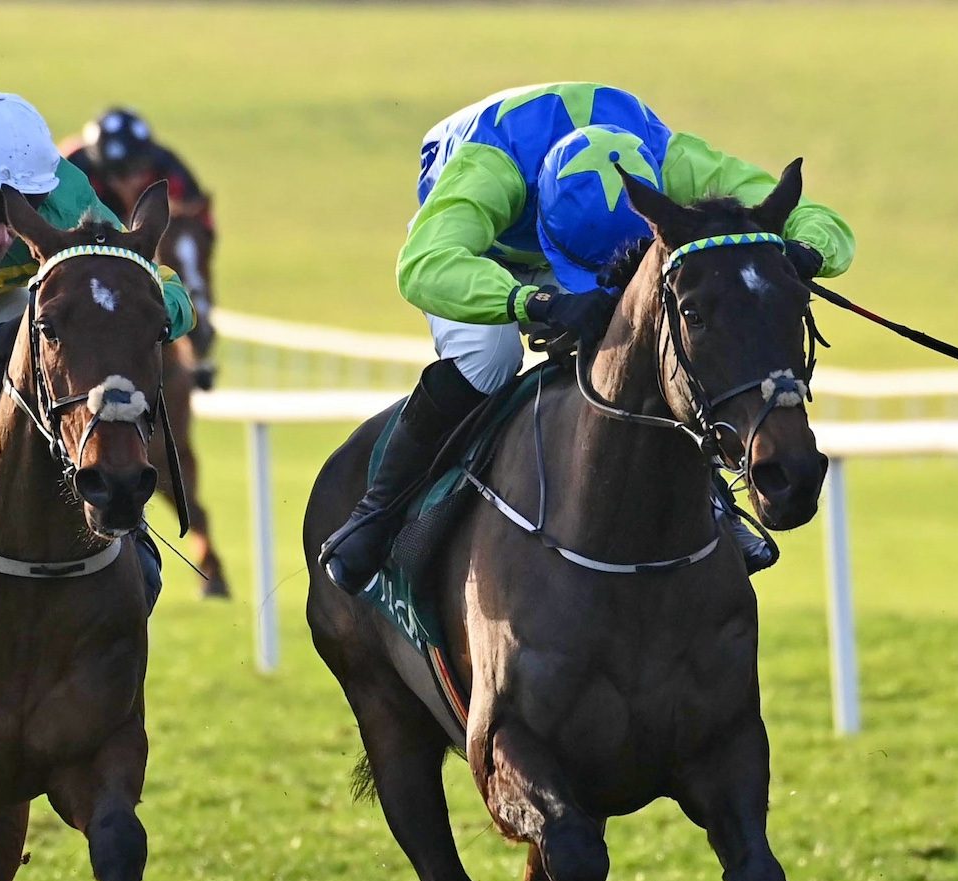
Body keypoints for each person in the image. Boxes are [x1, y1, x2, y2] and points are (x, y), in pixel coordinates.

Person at [318, 81, 856, 595]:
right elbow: (424, 266)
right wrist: (534, 301)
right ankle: (380, 510)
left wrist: (804, 250)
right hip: (483, 252)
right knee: (490, 355)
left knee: (652, 336)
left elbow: (815, 217)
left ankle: (713, 499)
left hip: (599, 240)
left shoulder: (669, 159)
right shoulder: (489, 170)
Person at [0, 91, 196, 608]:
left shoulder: (66, 196)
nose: (2, 237)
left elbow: (158, 285)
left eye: (17, 211)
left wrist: (158, 313)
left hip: (33, 322)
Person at [64, 106, 220, 389]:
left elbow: (200, 224)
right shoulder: (73, 167)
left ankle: (195, 353)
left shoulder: (167, 167)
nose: (133, 180)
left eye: (137, 170)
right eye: (122, 175)